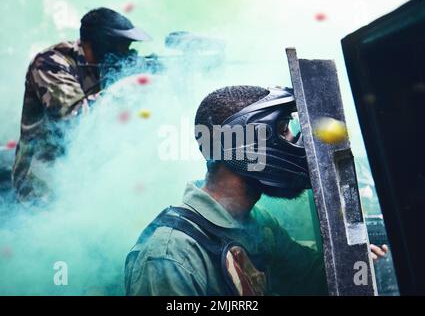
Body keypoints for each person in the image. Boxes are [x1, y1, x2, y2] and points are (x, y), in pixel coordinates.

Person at [125, 85, 388, 296]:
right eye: (283, 130)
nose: (293, 142)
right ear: (246, 146)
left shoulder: (258, 221)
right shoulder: (170, 256)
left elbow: (308, 278)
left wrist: (355, 261)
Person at [12, 7, 152, 204]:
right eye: (122, 47)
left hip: (83, 173)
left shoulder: (108, 66)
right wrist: (130, 85)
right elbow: (75, 121)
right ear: (99, 44)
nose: (127, 54)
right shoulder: (50, 63)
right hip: (43, 181)